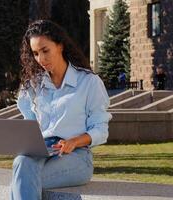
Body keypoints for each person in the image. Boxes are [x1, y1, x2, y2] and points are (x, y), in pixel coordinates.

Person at [11, 20, 112, 200]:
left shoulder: (88, 82)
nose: (41, 59)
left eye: (45, 50)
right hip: (42, 153)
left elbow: (101, 130)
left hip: (77, 157)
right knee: (21, 162)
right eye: (35, 53)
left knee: (22, 178)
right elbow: (30, 126)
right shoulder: (34, 86)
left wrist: (74, 141)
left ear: (60, 46)